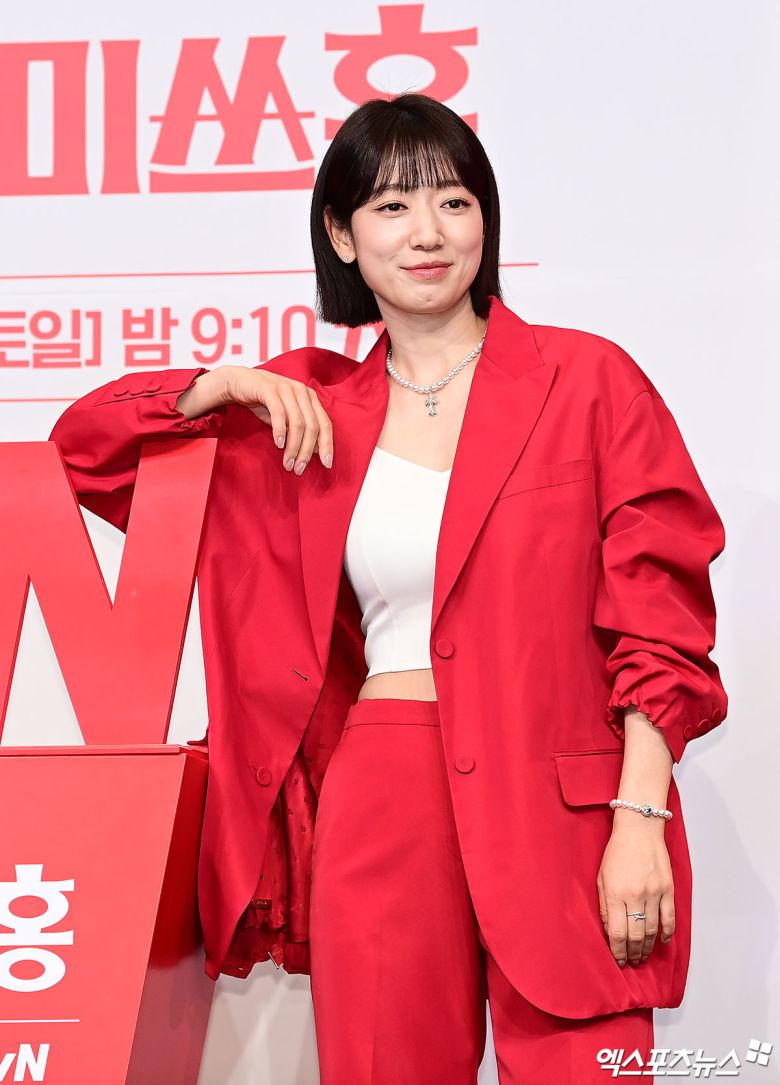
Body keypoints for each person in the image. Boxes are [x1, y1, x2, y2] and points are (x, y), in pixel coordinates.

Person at [49, 93, 728, 1083]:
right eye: (393, 207)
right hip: (383, 790)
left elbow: (661, 614)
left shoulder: (587, 381)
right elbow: (83, 454)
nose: (428, 234)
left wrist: (641, 816)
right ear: (342, 234)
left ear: (485, 220)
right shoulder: (310, 413)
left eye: (454, 202)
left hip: (569, 810)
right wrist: (221, 385)